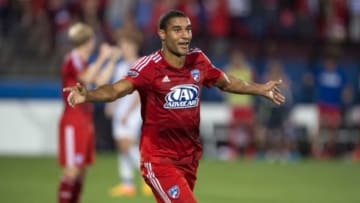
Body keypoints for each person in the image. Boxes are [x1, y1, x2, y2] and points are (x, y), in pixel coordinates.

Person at [64, 10, 285, 203]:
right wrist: (89, 95)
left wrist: (261, 89)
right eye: (177, 30)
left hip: (189, 157)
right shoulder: (148, 68)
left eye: (188, 30)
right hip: (159, 159)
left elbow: (226, 82)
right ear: (162, 34)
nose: (185, 35)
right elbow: (116, 90)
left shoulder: (198, 60)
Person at [58, 22, 111, 203]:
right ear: (88, 41)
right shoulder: (73, 59)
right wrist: (103, 58)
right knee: (72, 169)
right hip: (73, 119)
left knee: (81, 170)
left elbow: (100, 81)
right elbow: (87, 78)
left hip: (84, 119)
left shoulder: (84, 62)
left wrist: (111, 60)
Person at [95, 33, 152, 197]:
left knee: (126, 145)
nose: (124, 49)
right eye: (122, 46)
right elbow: (116, 89)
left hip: (133, 111)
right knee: (122, 148)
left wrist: (128, 112)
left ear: (134, 46)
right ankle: (127, 184)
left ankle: (149, 177)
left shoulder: (140, 64)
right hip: (120, 110)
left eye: (126, 46)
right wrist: (111, 105)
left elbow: (140, 92)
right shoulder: (120, 66)